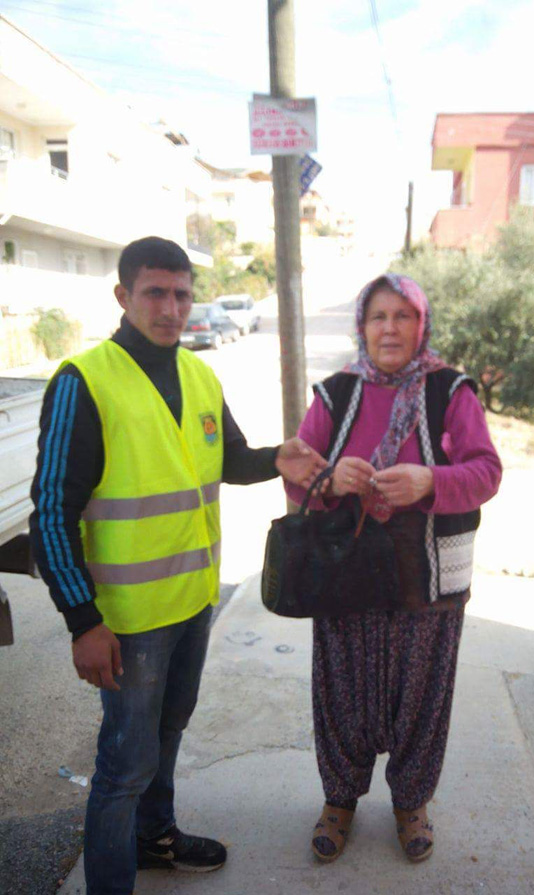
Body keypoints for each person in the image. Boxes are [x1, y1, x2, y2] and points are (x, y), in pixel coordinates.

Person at [30, 236, 326, 895]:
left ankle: (154, 839)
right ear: (123, 296)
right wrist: (83, 620)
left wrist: (278, 456)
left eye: (182, 293)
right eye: (155, 292)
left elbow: (226, 459)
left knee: (168, 734)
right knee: (123, 766)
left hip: (194, 603)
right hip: (127, 620)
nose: (171, 307)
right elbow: (51, 513)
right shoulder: (84, 381)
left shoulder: (198, 375)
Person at [285, 273, 502, 864]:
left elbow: (487, 472)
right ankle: (339, 800)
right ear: (362, 325)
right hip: (345, 574)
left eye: (402, 316)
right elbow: (296, 472)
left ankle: (411, 803)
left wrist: (431, 480)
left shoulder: (450, 391)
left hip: (427, 577)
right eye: (378, 316)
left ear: (421, 324)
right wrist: (330, 478)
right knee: (342, 694)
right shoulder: (336, 393)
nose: (389, 328)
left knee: (422, 698)